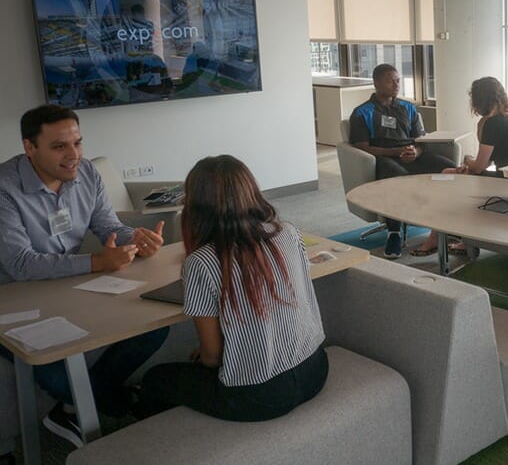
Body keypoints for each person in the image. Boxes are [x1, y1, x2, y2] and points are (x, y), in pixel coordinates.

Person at [0, 105, 168, 447]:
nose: (73, 155)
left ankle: (76, 408)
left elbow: (107, 225)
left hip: (70, 286)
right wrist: (96, 262)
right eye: (60, 146)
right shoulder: (5, 189)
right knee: (55, 369)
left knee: (154, 327)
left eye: (77, 143)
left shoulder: (87, 173)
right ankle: (106, 400)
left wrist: (134, 238)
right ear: (29, 148)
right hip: (12, 297)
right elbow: (20, 263)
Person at [132, 156, 327, 421]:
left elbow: (212, 358)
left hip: (261, 397)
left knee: (156, 378)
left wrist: (221, 353)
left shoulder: (201, 261)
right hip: (315, 370)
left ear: (195, 206)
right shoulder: (288, 233)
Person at [348, 64, 456, 259]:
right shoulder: (362, 112)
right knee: (399, 178)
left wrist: (416, 151)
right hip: (383, 158)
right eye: (391, 81)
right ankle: (394, 232)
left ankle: (446, 224)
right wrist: (396, 151)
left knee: (450, 168)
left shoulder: (408, 108)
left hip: (412, 155)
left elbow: (421, 140)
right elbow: (362, 146)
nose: (397, 84)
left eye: (398, 80)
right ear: (376, 83)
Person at [412, 77, 508, 256]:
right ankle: (458, 237)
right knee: (451, 176)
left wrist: (467, 162)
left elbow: (479, 166)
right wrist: (469, 167)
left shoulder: (493, 123)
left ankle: (440, 236)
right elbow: (487, 163)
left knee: (446, 176)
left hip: (506, 183)